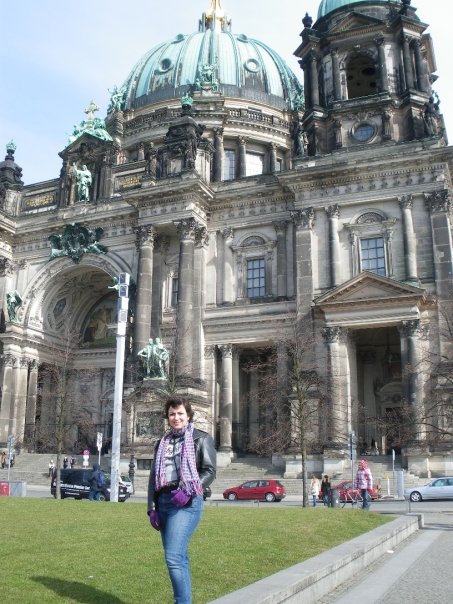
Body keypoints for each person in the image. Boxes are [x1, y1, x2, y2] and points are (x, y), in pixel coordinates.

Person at [147, 396, 216, 604]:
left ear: (188, 415)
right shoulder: (162, 442)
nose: (176, 418)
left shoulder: (201, 438)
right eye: (171, 414)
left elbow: (210, 471)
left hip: (186, 503)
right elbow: (153, 477)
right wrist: (152, 508)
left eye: (180, 414)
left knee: (173, 558)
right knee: (180, 558)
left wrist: (189, 490)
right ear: (167, 417)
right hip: (164, 502)